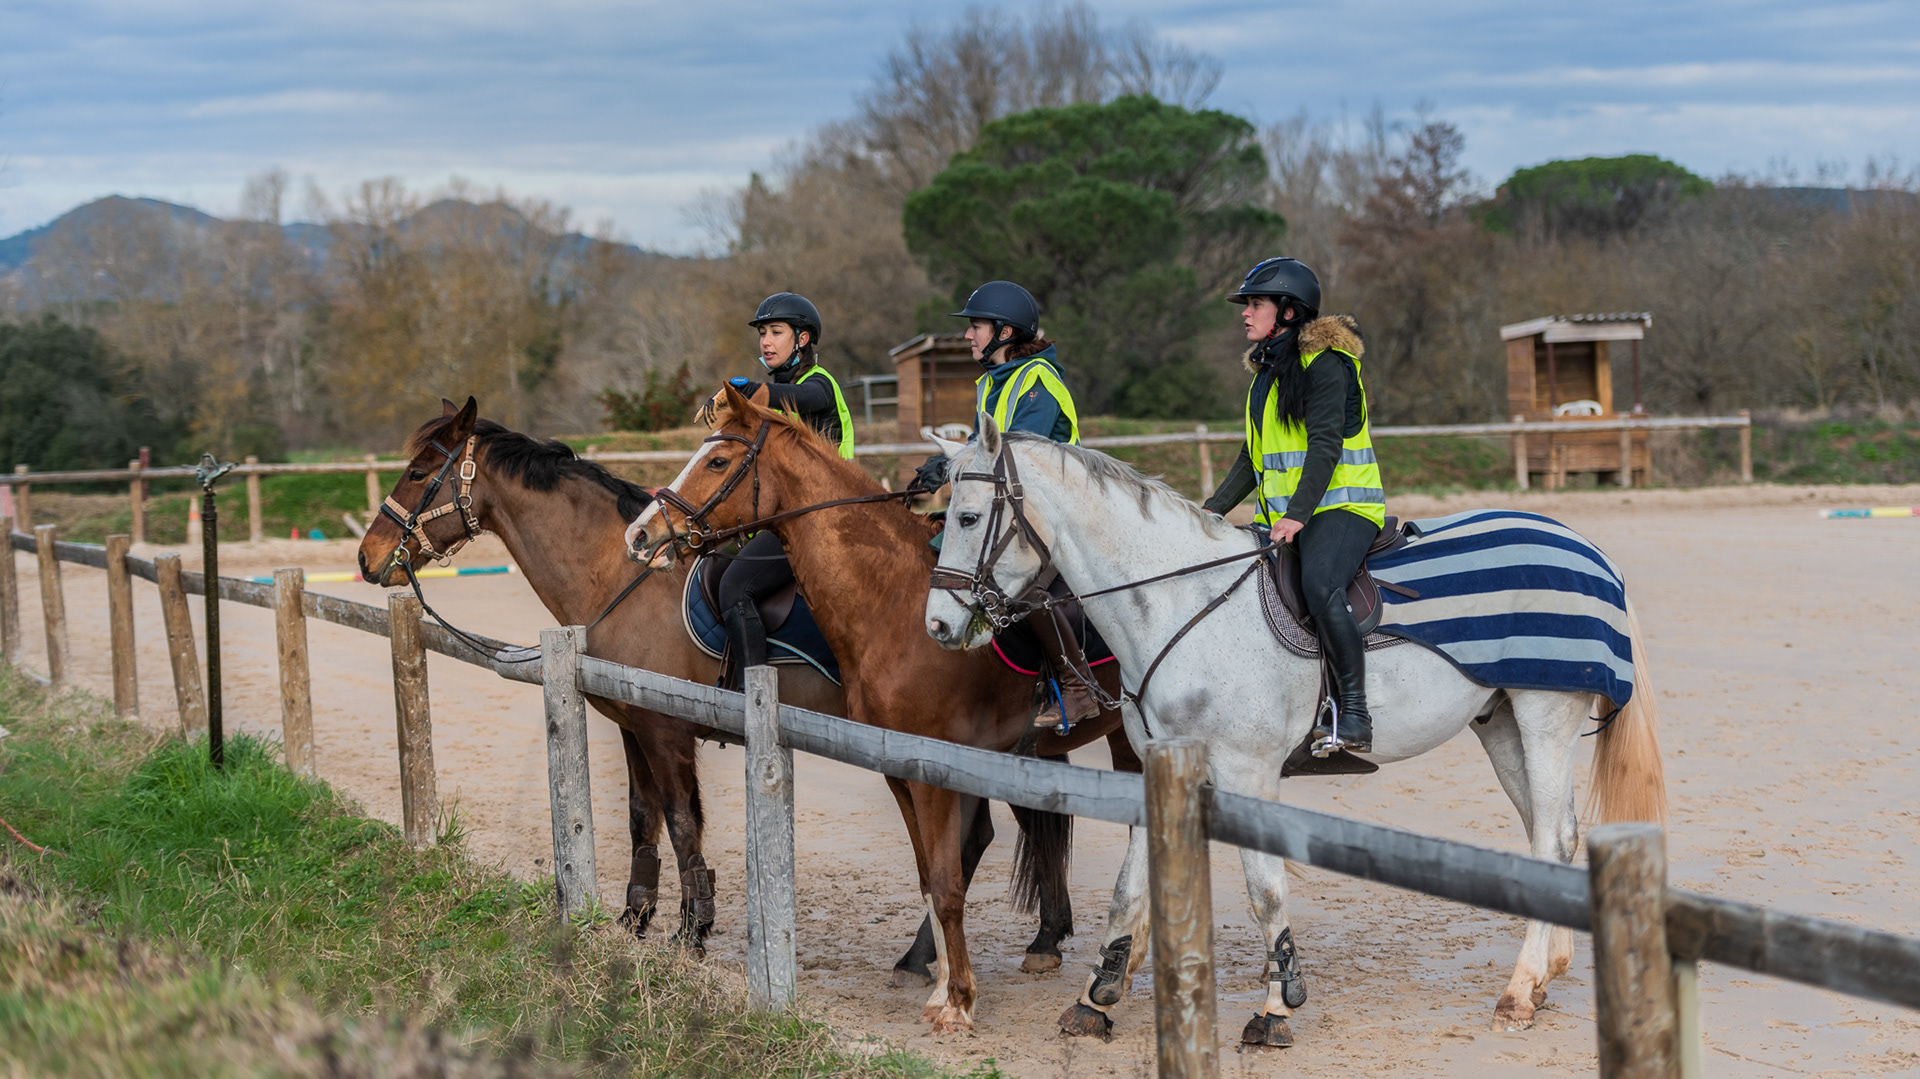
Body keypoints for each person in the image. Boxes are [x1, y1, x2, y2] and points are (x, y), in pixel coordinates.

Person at [1202, 258, 1385, 755]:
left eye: (1255, 304)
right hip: (1288, 515)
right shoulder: (1266, 373)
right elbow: (1252, 457)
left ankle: (1355, 714)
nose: (1245, 313)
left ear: (1287, 311)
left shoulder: (1327, 364)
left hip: (1343, 507)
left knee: (1321, 585)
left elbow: (1325, 445)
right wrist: (1211, 511)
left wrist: (1297, 515)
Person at [910, 280, 1095, 730]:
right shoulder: (992, 383)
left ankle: (1077, 686)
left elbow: (1018, 452)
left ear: (1005, 333)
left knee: (1025, 586)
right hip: (1013, 511)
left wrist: (953, 462)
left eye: (976, 327)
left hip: (1055, 514)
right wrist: (946, 465)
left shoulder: (1038, 381)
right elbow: (982, 449)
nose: (968, 335)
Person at [710, 292, 855, 690]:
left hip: (822, 521)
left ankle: (754, 695)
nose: (766, 342)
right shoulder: (776, 392)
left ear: (802, 339)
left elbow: (804, 399)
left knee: (735, 587)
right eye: (762, 334)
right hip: (790, 519)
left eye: (776, 332)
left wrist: (751, 393)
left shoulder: (819, 384)